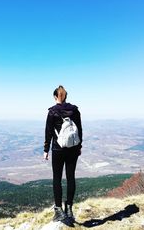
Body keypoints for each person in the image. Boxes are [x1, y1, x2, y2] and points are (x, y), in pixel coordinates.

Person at [44, 85, 82, 223]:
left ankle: (59, 210)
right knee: (71, 178)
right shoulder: (75, 110)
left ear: (55, 97)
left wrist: (46, 150)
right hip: (73, 148)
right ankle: (70, 209)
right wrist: (79, 146)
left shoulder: (52, 112)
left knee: (57, 179)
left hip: (58, 149)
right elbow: (79, 130)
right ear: (65, 96)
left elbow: (48, 132)